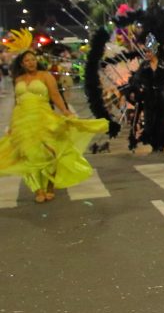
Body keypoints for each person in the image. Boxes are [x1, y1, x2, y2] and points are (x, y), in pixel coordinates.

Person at [0, 48, 108, 202]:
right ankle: (38, 190)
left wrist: (65, 111)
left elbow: (55, 95)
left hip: (43, 117)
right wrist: (12, 124)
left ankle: (50, 185)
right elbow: (16, 102)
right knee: (27, 154)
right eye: (27, 61)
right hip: (22, 121)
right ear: (22, 64)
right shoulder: (18, 79)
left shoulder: (45, 76)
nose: (31, 62)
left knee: (50, 152)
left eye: (33, 59)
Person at [124, 42, 164, 153]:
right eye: (146, 52)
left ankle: (162, 144)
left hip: (163, 99)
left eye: (149, 51)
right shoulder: (143, 66)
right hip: (149, 99)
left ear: (155, 52)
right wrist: (134, 91)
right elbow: (136, 81)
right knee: (150, 122)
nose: (147, 54)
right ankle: (154, 145)